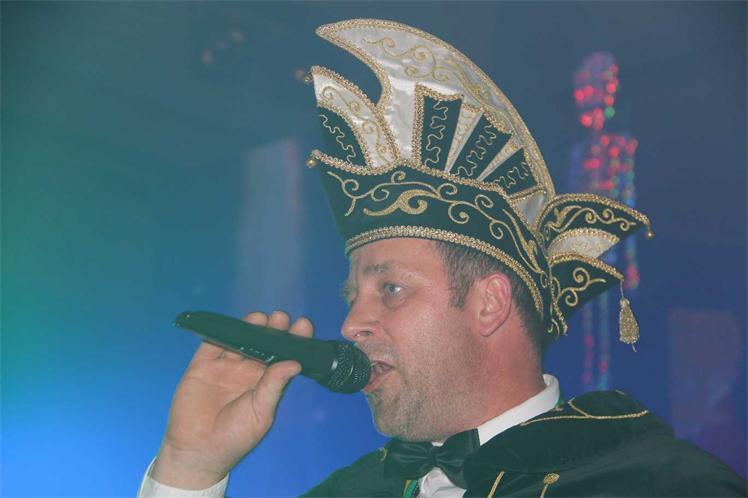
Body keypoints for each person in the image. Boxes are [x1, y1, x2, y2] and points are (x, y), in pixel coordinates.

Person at [138, 19, 746, 498]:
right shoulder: (346, 493)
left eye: (391, 290)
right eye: (352, 298)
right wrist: (190, 467)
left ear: (489, 303)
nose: (350, 326)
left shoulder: (659, 485)